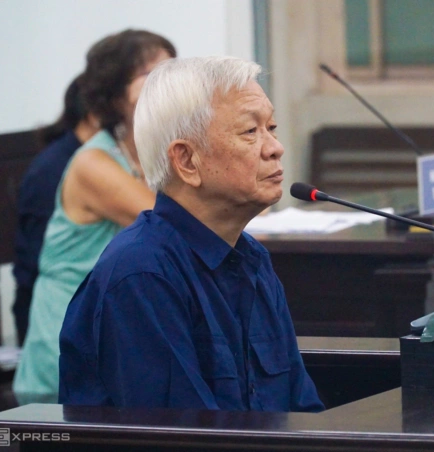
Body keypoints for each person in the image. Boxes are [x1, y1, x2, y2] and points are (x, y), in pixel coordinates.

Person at [58, 56, 325, 412]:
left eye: (271, 127)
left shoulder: (251, 257)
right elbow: (183, 432)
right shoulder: (141, 275)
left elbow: (302, 409)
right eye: (250, 131)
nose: (275, 147)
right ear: (186, 160)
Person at [13, 29, 176, 403]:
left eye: (172, 72)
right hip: (70, 341)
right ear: (116, 95)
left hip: (121, 334)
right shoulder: (92, 163)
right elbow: (175, 223)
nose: (167, 84)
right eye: (150, 74)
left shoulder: (155, 153)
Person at [13, 75, 99, 346]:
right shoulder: (55, 168)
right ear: (94, 115)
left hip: (83, 304)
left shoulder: (92, 157)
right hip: (52, 314)